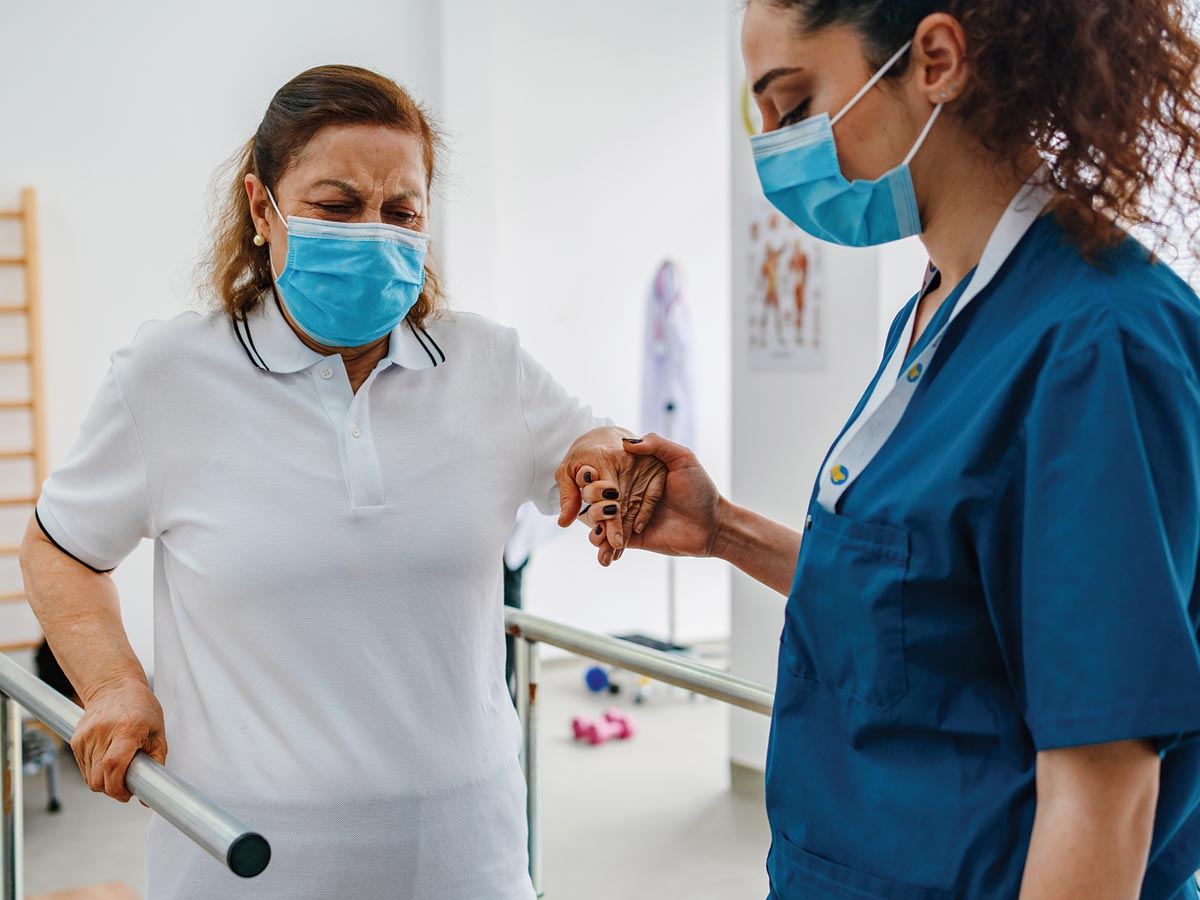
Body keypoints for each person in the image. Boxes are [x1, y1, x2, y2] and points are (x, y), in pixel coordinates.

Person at [574, 1, 1200, 897]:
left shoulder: (1094, 345)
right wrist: (722, 530)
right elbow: (932, 607)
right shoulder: (939, 311)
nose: (773, 154)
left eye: (792, 108)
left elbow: (1102, 796)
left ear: (935, 60)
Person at [18, 65, 662, 900]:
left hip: (468, 855)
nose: (373, 233)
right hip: (244, 859)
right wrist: (112, 683)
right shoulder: (170, 376)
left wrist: (609, 457)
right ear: (262, 208)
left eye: (402, 212)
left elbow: (586, 439)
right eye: (336, 205)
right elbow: (58, 548)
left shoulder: (485, 365)